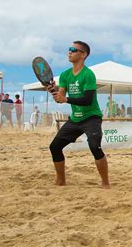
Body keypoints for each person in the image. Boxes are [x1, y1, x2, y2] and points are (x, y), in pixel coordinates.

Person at [47, 41, 110, 188]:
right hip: (75, 119)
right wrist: (54, 92)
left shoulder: (88, 75)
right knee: (54, 147)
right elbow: (60, 98)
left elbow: (88, 100)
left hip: (92, 117)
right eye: (69, 49)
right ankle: (61, 180)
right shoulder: (65, 75)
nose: (69, 52)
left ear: (83, 54)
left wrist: (66, 99)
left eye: (73, 50)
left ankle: (105, 183)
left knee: (95, 147)